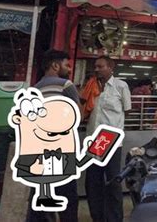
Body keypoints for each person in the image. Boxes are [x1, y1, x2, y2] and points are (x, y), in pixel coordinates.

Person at [27, 49, 82, 222]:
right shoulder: (65, 85)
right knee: (68, 199)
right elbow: (78, 115)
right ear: (55, 65)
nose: (69, 69)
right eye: (67, 65)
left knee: (40, 201)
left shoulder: (34, 89)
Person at [85, 56, 131, 222]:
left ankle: (115, 218)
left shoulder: (121, 86)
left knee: (113, 181)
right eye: (95, 66)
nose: (96, 69)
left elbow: (127, 110)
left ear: (111, 68)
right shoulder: (91, 86)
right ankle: (97, 217)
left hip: (110, 140)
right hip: (94, 140)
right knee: (93, 182)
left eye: (100, 66)